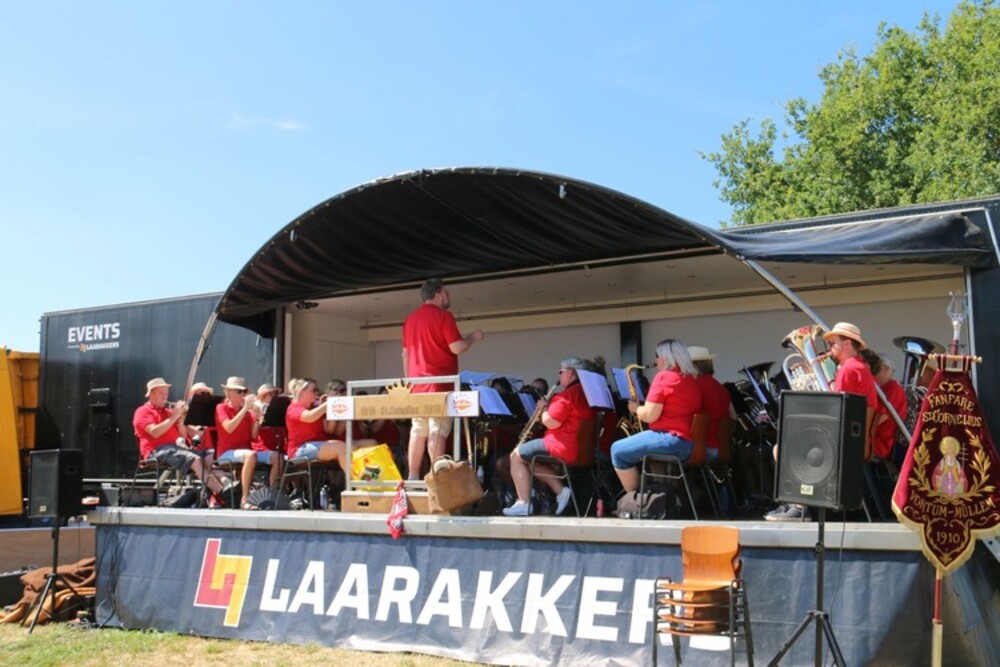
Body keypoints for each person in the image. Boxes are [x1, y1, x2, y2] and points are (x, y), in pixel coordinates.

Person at [767, 321, 878, 522]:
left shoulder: (848, 369)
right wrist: (813, 373)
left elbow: (834, 409)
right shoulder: (858, 367)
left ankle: (799, 506)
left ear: (847, 344)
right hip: (852, 440)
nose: (829, 348)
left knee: (781, 449)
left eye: (833, 343)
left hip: (841, 444)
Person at [401, 278, 485, 479]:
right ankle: (437, 478)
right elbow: (457, 347)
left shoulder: (410, 319)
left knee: (417, 431)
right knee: (437, 430)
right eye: (446, 293)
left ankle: (413, 476)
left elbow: (405, 354)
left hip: (417, 386)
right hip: (440, 384)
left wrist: (410, 381)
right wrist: (473, 337)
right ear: (438, 295)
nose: (449, 297)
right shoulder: (444, 316)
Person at [502, 357, 596, 517]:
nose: (559, 375)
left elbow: (551, 422)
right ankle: (561, 492)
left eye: (561, 372)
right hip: (580, 448)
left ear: (570, 373)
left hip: (561, 445)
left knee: (515, 456)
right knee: (532, 461)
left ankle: (524, 503)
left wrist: (544, 408)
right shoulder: (586, 394)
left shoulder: (567, 395)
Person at [610, 339, 702, 493]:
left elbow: (649, 416)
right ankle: (654, 498)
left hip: (670, 439)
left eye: (657, 356)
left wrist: (636, 409)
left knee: (617, 451)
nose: (655, 360)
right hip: (688, 445)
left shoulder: (664, 377)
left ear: (664, 358)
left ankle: (636, 499)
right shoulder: (691, 380)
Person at [132, 377, 226, 503]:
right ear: (151, 394)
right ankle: (222, 492)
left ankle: (227, 487)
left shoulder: (168, 412)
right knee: (194, 459)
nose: (165, 396)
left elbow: (182, 435)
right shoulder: (142, 411)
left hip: (174, 448)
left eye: (166, 393)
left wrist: (181, 419)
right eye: (161, 393)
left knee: (207, 457)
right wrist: (174, 416)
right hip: (155, 451)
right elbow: (155, 432)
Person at [214, 376, 263, 509]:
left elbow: (254, 437)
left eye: (244, 392)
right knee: (251, 455)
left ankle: (272, 495)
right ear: (228, 392)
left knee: (276, 457)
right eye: (239, 391)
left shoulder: (247, 413)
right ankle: (245, 499)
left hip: (244, 451)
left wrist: (257, 419)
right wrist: (245, 409)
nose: (242, 394)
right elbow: (229, 427)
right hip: (226, 452)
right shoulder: (221, 408)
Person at [285, 378, 349, 470]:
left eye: (317, 390)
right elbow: (309, 417)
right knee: (340, 447)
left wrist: (332, 409)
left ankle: (358, 477)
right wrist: (328, 403)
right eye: (314, 390)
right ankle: (353, 479)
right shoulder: (294, 408)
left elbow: (329, 430)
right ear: (302, 392)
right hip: (299, 449)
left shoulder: (315, 408)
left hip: (318, 445)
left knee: (351, 447)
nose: (317, 393)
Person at [687, 346, 737, 462]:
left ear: (694, 366)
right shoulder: (722, 389)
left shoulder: (694, 387)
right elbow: (733, 417)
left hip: (701, 450)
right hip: (722, 449)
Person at [860, 350, 908, 462]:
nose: (872, 372)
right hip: (870, 439)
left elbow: (877, 420)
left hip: (877, 444)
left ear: (886, 369)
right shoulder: (878, 388)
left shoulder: (894, 388)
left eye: (875, 368)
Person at [250, 382, 285, 490]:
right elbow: (254, 436)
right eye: (271, 394)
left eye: (275, 394)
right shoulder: (255, 411)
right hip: (261, 449)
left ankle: (295, 491)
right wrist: (258, 419)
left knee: (294, 461)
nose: (274, 396)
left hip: (278, 449)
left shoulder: (279, 411)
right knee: (278, 458)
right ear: (263, 397)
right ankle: (273, 490)